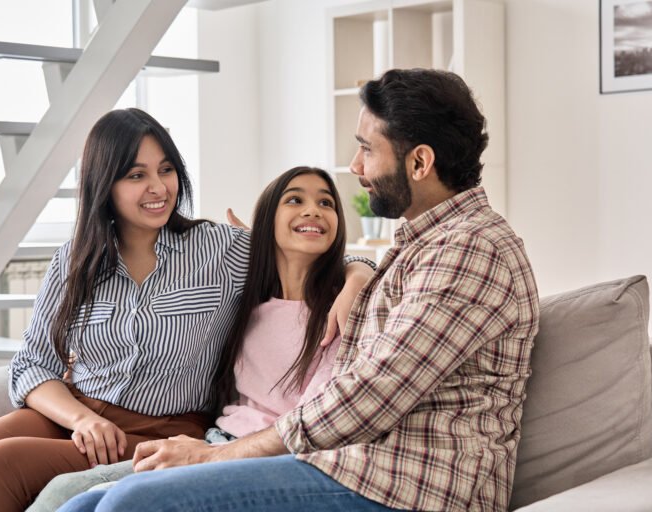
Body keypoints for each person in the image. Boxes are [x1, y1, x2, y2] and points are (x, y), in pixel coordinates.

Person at [56, 68, 540, 512]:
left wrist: (211, 458)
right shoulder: (421, 246)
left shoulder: (472, 250)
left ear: (419, 162)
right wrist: (355, 271)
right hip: (351, 468)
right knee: (79, 507)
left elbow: (370, 397)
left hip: (408, 486)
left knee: (133, 503)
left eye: (368, 150)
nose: (356, 166)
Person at [0, 110, 372, 512]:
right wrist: (81, 419)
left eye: (165, 170)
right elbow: (33, 364)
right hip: (79, 413)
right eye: (136, 174)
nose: (158, 187)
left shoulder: (221, 249)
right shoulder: (76, 258)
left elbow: (303, 251)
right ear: (105, 183)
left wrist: (358, 275)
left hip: (161, 423)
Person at [28, 166, 347, 511]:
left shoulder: (343, 313)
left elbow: (320, 422)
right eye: (295, 199)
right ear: (267, 222)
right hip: (215, 440)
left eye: (327, 203)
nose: (313, 210)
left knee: (112, 500)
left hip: (265, 459)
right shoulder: (245, 299)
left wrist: (358, 275)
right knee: (68, 496)